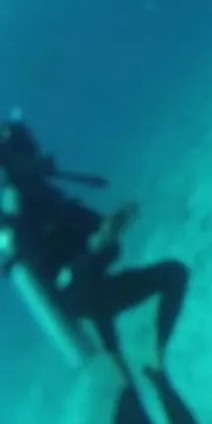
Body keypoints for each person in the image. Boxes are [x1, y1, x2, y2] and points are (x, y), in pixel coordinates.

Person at [0, 114, 195, 423]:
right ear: (13, 162)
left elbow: (95, 234)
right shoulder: (25, 210)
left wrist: (112, 228)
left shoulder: (44, 194)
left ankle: (153, 366)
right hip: (84, 298)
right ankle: (152, 368)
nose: (38, 155)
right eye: (28, 151)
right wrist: (100, 242)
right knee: (172, 276)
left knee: (126, 392)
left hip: (91, 296)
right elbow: (61, 271)